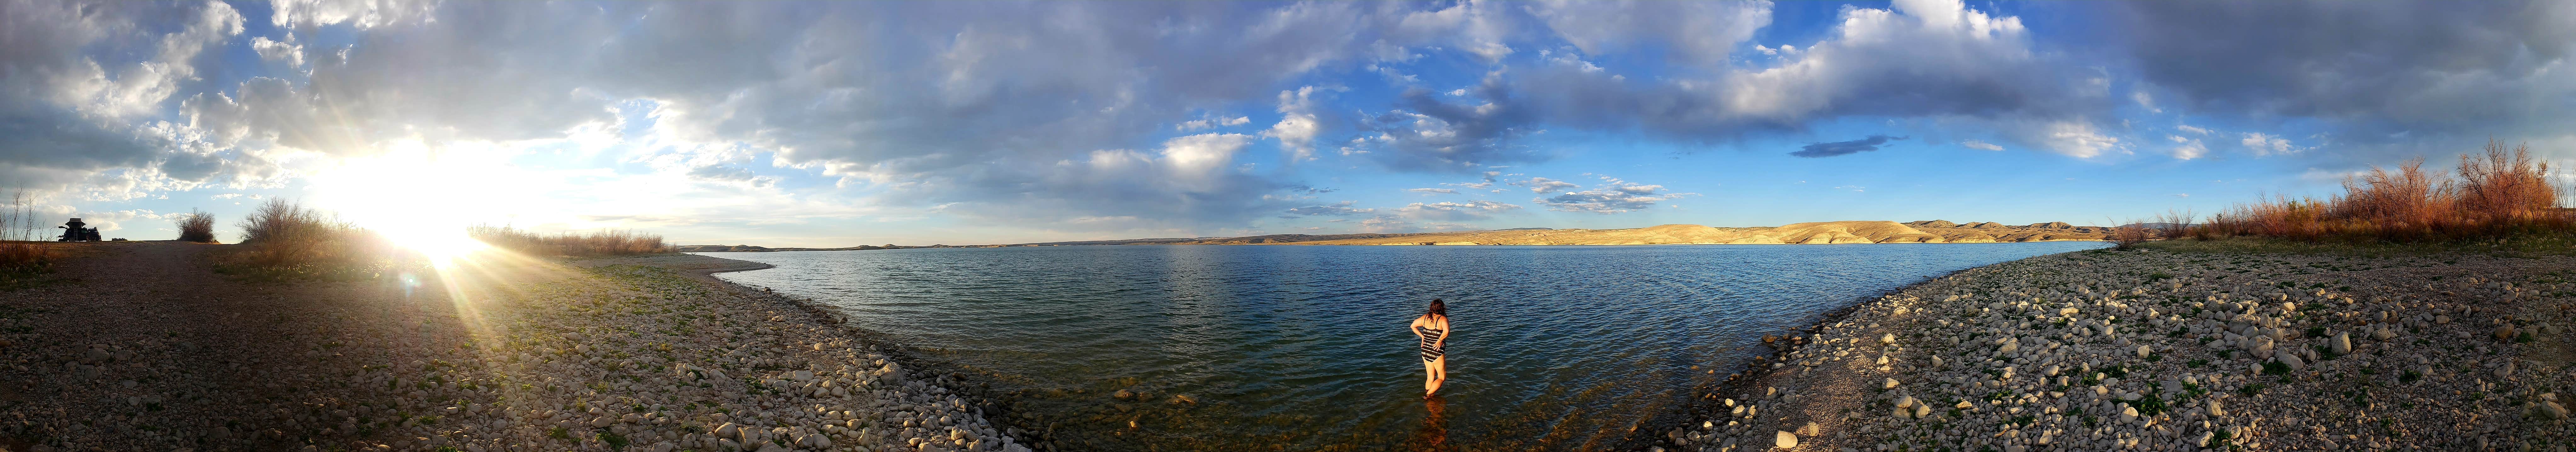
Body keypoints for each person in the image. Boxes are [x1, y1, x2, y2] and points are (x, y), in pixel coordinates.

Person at [1410, 298, 1450, 398]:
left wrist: (1423, 336)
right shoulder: (1443, 319)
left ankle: (1427, 393)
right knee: (1441, 377)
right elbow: (1447, 331)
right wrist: (1440, 340)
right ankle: (1428, 396)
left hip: (1425, 350)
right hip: (1437, 351)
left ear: (1431, 308)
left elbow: (1413, 326)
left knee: (1430, 377)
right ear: (1442, 308)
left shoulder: (1425, 318)